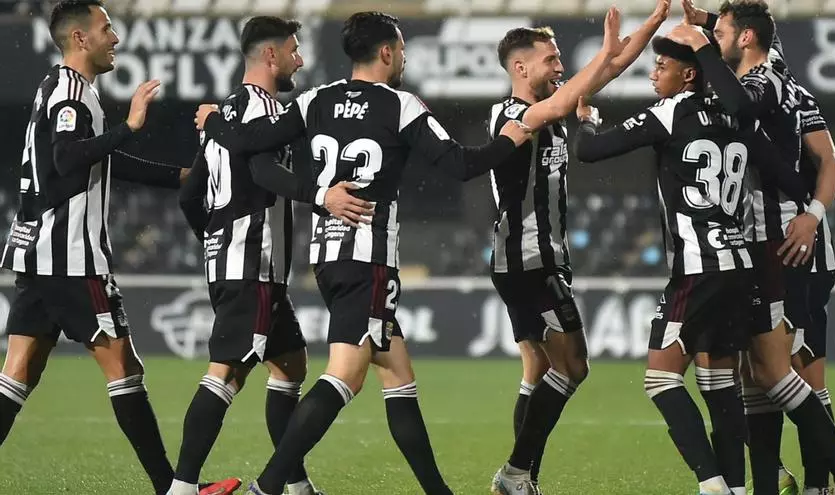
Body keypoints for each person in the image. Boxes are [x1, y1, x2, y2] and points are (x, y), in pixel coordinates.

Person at [194, 11, 534, 495]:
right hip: (367, 258)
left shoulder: (315, 100)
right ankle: (266, 488)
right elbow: (461, 164)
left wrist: (215, 121)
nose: (405, 58)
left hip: (327, 258)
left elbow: (250, 143)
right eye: (403, 49)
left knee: (398, 376)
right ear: (387, 52)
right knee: (345, 377)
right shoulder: (400, 105)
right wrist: (508, 140)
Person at [0, 1, 234, 494]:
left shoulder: (62, 87)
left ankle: (171, 488)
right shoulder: (70, 92)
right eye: (106, 28)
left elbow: (101, 163)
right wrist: (129, 126)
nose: (116, 37)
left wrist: (182, 176)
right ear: (80, 38)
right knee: (124, 368)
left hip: (39, 254)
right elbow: (67, 159)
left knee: (18, 373)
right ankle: (172, 488)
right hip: (70, 257)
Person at [576, 34, 808, 495]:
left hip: (698, 266)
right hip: (740, 265)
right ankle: (737, 488)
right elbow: (790, 178)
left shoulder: (671, 112)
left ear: (688, 75)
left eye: (661, 66)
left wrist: (586, 121)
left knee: (661, 379)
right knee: (719, 384)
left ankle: (711, 483)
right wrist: (811, 211)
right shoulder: (737, 118)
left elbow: (590, 151)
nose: (652, 74)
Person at [668, 2, 835, 494]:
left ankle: (831, 482)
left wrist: (813, 214)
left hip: (790, 242)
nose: (714, 39)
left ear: (746, 38)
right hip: (755, 245)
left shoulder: (773, 84)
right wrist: (709, 23)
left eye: (723, 32)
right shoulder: (753, 77)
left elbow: (829, 160)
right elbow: (751, 43)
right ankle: (775, 481)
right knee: (759, 371)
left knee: (796, 369)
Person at [171, 16, 371, 495]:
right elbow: (263, 173)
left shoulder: (223, 114)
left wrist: (214, 241)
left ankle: (295, 485)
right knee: (226, 372)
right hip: (253, 262)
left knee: (290, 365)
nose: (299, 60)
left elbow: (190, 195)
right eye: (293, 50)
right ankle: (181, 488)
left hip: (238, 260)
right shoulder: (264, 111)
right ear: (270, 55)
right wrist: (321, 196)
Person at [485, 3, 668, 494]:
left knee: (539, 370)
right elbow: (588, 81)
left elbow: (609, 69)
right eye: (551, 59)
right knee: (573, 367)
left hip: (537, 258)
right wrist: (604, 53)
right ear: (520, 67)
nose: (560, 67)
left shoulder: (554, 106)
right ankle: (515, 473)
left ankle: (523, 479)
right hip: (527, 259)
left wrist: (654, 23)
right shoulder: (514, 114)